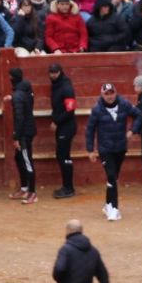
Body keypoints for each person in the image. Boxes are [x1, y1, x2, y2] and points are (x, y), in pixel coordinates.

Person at [85, 82, 136, 221]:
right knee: (112, 176)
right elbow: (90, 130)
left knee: (113, 178)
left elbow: (139, 115)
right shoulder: (97, 110)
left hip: (120, 148)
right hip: (105, 149)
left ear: (115, 92)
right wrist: (90, 149)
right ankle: (114, 208)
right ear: (102, 95)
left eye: (111, 93)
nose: (109, 96)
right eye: (106, 94)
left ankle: (108, 204)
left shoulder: (124, 104)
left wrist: (132, 130)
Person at [7, 66, 38, 204]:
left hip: (24, 132)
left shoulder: (18, 96)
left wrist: (16, 137)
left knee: (26, 161)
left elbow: (19, 117)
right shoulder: (27, 90)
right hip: (28, 129)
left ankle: (32, 193)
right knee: (19, 158)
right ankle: (25, 188)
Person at [48, 62, 78, 199]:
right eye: (51, 73)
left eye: (55, 73)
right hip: (64, 126)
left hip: (66, 126)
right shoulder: (57, 85)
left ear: (60, 72)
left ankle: (68, 188)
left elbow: (70, 110)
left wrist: (56, 121)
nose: (53, 75)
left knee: (63, 156)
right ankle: (67, 186)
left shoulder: (66, 87)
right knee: (63, 156)